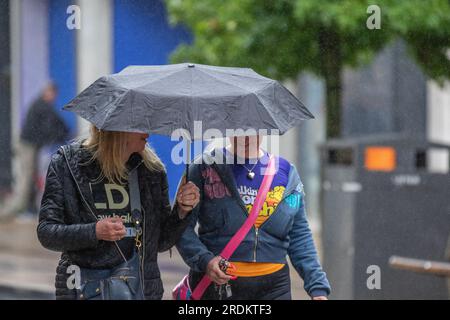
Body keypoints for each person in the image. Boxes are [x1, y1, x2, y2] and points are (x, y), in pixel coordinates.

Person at [37, 124, 200, 299]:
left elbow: (161, 242)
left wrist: (181, 211)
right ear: (118, 129)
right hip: (82, 289)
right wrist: (95, 231)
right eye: (139, 125)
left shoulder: (152, 171)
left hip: (139, 290)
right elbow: (47, 232)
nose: (148, 132)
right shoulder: (67, 164)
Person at [176, 135, 331, 300]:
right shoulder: (205, 168)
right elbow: (181, 226)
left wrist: (317, 287)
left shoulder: (286, 172)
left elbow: (299, 234)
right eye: (239, 128)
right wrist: (205, 261)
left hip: (275, 289)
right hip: (218, 286)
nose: (246, 135)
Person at [0, 82, 68, 219]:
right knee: (26, 177)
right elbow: (54, 125)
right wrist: (63, 135)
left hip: (32, 146)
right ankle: (11, 210)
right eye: (51, 93)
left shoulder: (43, 105)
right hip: (27, 146)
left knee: (32, 176)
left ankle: (28, 207)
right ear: (46, 92)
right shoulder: (41, 105)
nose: (53, 97)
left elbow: (56, 124)